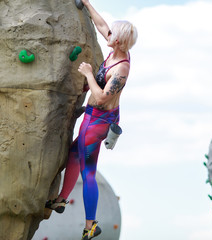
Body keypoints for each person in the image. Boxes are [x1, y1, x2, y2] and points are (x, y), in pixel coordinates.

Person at [45, 0, 138, 239]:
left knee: (88, 171)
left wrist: (88, 73)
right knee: (75, 155)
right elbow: (101, 24)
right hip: (98, 120)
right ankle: (62, 200)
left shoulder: (121, 69)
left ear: (117, 40)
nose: (108, 34)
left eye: (112, 34)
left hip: (97, 121)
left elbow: (101, 97)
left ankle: (90, 225)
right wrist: (86, 3)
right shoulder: (118, 51)